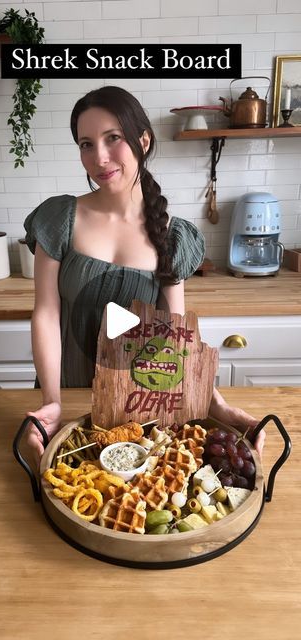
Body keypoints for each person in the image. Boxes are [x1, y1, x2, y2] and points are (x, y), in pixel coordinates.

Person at [24, 85, 265, 461]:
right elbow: (46, 313)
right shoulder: (60, 218)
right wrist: (52, 402)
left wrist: (214, 402)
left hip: (135, 401)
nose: (99, 157)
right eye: (86, 144)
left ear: (144, 140)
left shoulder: (172, 235)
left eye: (113, 138)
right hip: (66, 392)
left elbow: (175, 336)